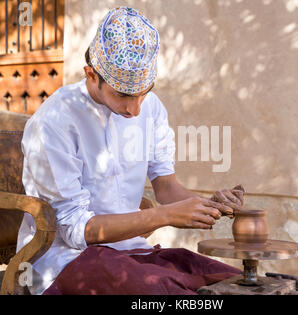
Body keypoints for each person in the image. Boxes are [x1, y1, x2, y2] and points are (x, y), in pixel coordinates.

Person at [17, 6, 243, 295]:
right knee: (164, 293)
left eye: (143, 93)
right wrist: (165, 216)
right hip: (66, 260)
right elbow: (76, 231)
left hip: (130, 252)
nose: (135, 109)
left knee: (232, 281)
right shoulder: (54, 122)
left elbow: (166, 186)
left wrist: (209, 206)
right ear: (91, 74)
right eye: (123, 95)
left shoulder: (152, 109)